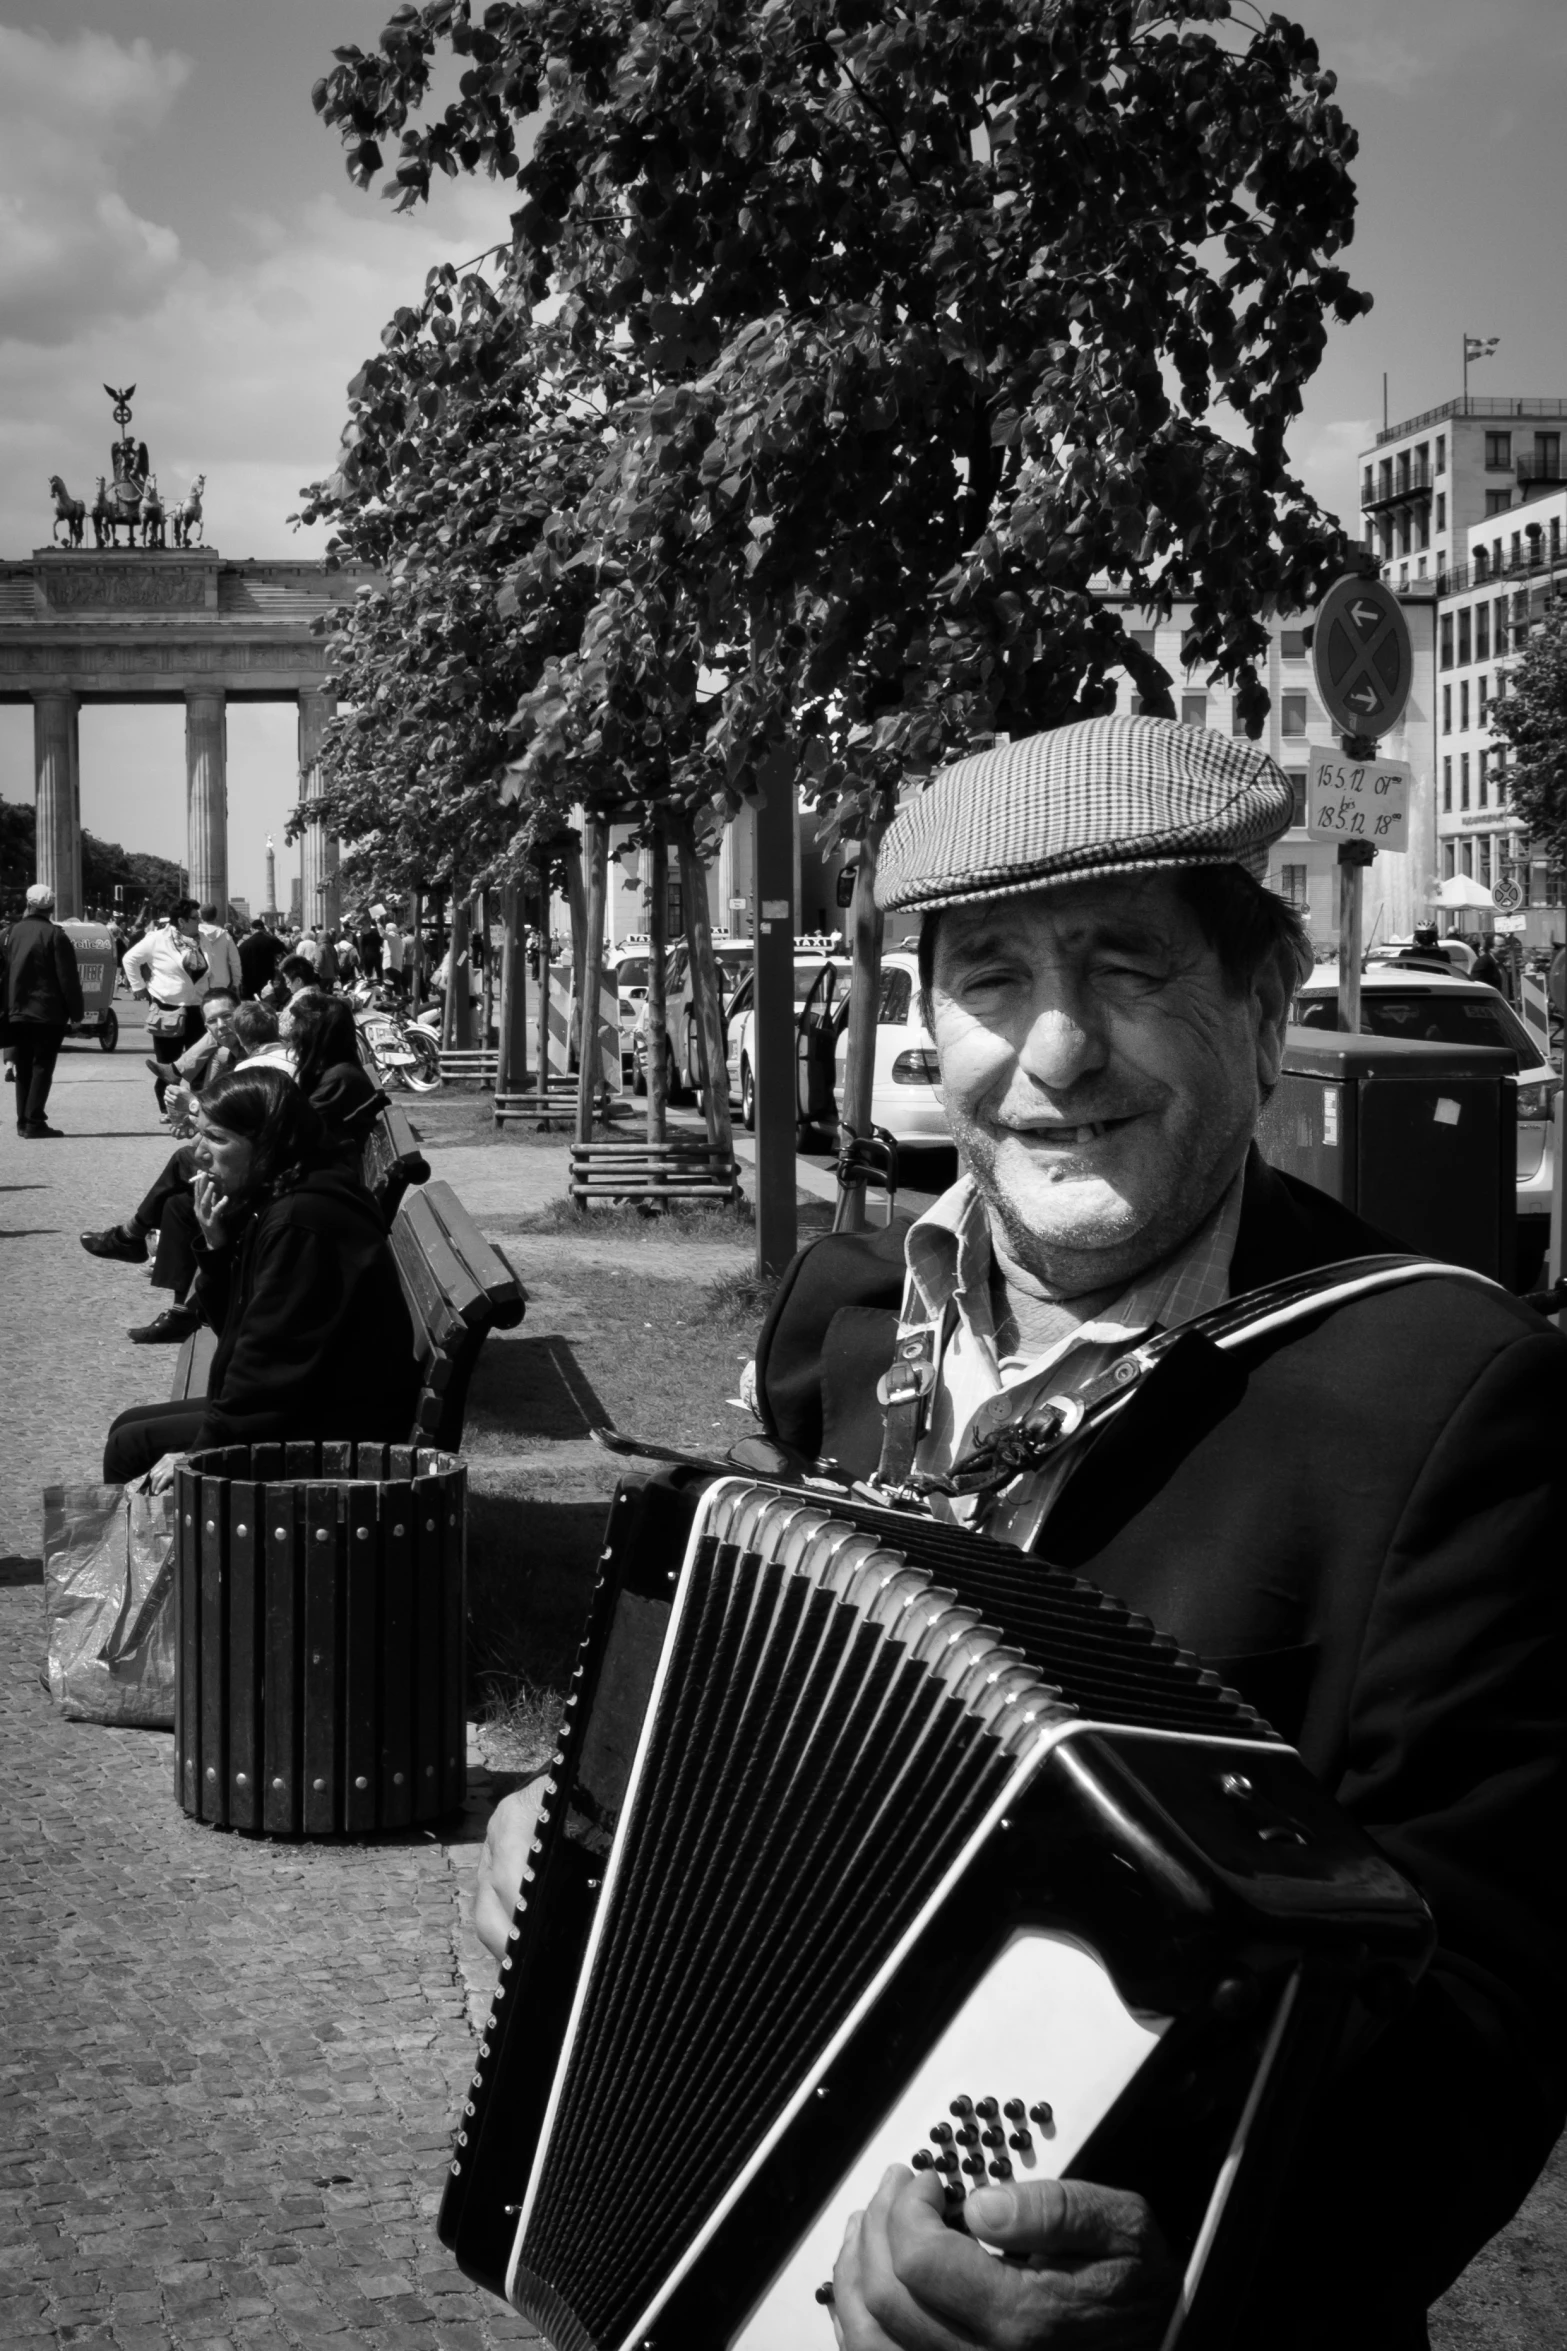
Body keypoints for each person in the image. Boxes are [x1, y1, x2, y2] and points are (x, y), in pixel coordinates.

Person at [736, 717, 1565, 2350]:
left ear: (1259, 1014)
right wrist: (582, 1882)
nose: (1054, 1053)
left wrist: (1179, 2263)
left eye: (1123, 968)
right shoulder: (848, 1330)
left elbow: (1494, 2015)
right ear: (928, 1023)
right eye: (990, 978)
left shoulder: (1452, 1406)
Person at [101, 1065, 418, 1481]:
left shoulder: (299, 1221)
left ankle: (170, 1546)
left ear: (268, 1142)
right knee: (128, 1425)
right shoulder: (286, 1191)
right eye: (201, 1133)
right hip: (316, 1401)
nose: (198, 1151)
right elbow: (239, 1324)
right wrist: (216, 1246)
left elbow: (270, 1360)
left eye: (216, 1137)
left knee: (131, 1446)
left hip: (333, 1426)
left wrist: (201, 1450)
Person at [81, 1001, 287, 1343]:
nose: (220, 1026)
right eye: (213, 1021)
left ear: (240, 1029)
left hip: (265, 1170)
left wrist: (192, 1109)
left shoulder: (256, 1067)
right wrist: (196, 1122)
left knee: (183, 1160)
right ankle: (181, 1311)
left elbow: (239, 1127)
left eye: (226, 1019)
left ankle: (131, 1236)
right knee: (179, 1202)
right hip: (259, 1159)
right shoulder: (239, 1060)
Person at [2, 883, 83, 1138]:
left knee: (23, 1066)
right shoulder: (56, 936)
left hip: (16, 1010)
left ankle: (22, 1121)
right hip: (48, 1012)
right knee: (42, 1067)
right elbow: (68, 979)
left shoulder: (8, 933)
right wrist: (77, 1014)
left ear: (28, 904)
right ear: (51, 907)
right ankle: (34, 1121)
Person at [123, 900, 209, 1114]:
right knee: (169, 1064)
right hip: (167, 1008)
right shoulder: (156, 939)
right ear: (181, 921)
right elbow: (129, 959)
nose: (199, 921)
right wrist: (139, 987)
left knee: (200, 1062)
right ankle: (169, 1110)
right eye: (195, 918)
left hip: (198, 1008)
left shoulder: (203, 939)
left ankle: (198, 1109)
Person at [283, 988, 384, 1163]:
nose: (293, 1036)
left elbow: (295, 1135)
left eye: (298, 1028)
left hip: (333, 1175)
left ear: (316, 1036)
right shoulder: (340, 1071)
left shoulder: (340, 1079)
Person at [197, 903, 243, 997]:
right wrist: (236, 983)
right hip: (221, 983)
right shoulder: (226, 936)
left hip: (199, 983)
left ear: (200, 916)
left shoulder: (195, 935)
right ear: (215, 916)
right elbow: (235, 962)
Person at [238, 917, 286, 1001]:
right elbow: (283, 950)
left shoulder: (244, 945)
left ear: (252, 929)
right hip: (267, 980)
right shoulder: (272, 940)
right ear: (263, 928)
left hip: (249, 981)